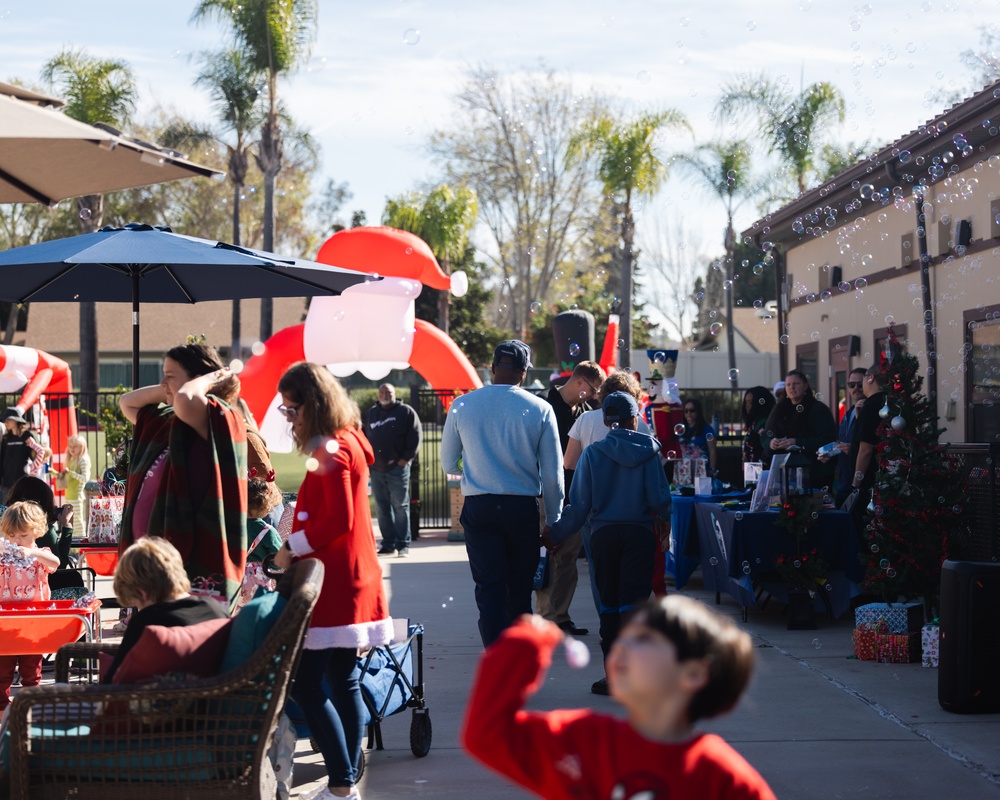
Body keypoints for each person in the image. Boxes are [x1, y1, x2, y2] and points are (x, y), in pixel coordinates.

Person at [461, 596, 776, 800]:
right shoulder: (579, 741)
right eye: (624, 637)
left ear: (693, 673)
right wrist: (523, 644)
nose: (622, 647)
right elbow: (486, 735)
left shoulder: (719, 778)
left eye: (644, 639)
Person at [273, 361, 393, 800]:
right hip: (351, 573)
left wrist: (291, 548)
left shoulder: (333, 448)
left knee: (308, 683)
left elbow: (337, 518)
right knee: (342, 680)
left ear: (313, 404)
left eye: (292, 410)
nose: (289, 419)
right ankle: (347, 779)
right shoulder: (348, 440)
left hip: (335, 579)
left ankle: (343, 784)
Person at [545, 391, 672, 696]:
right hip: (639, 536)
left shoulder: (592, 454)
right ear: (634, 419)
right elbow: (660, 500)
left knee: (610, 606)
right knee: (634, 606)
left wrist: (555, 534)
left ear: (605, 420)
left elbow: (579, 507)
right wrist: (663, 521)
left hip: (603, 537)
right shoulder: (650, 452)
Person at [440, 339, 564, 648]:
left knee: (489, 589)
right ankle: (517, 661)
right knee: (519, 591)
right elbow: (553, 474)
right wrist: (555, 521)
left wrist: (474, 463)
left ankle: (496, 661)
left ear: (493, 368)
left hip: (480, 506)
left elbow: (448, 463)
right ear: (524, 373)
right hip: (521, 508)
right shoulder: (540, 408)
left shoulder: (464, 404)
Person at [118, 343, 248, 607]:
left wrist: (210, 380)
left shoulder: (214, 414)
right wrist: (169, 387)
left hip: (194, 563)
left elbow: (187, 400)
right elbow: (127, 402)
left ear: (198, 379)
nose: (163, 381)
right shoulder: (168, 420)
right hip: (153, 568)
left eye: (170, 374)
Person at [564, 371, 659, 608]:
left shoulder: (585, 421)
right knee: (634, 578)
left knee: (600, 570)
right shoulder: (643, 429)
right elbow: (656, 485)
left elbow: (569, 464)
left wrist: (556, 532)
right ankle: (631, 627)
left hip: (595, 512)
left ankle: (608, 620)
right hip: (637, 517)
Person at [536, 360, 607, 637]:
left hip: (576, 497)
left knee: (568, 560)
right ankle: (545, 619)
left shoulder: (586, 412)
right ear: (579, 382)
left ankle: (561, 616)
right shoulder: (545, 405)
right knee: (548, 556)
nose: (593, 396)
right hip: (547, 494)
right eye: (591, 390)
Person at [104, 536, 229, 683]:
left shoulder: (147, 621)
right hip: (211, 702)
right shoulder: (217, 610)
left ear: (143, 592)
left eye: (136, 602)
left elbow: (112, 683)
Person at [0, 501, 60, 710]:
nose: (17, 541)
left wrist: (32, 553)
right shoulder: (3, 554)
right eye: (12, 536)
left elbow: (55, 563)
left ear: (36, 532)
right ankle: (1, 708)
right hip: (5, 621)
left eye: (23, 536)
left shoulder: (39, 555)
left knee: (31, 668)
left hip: (34, 620)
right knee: (2, 668)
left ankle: (30, 707)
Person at [362, 383, 422, 557]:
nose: (384, 394)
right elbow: (363, 437)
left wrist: (405, 460)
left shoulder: (405, 412)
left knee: (400, 506)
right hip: (376, 469)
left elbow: (415, 436)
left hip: (398, 468)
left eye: (388, 392)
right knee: (382, 508)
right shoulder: (372, 413)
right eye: (381, 392)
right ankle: (388, 544)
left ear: (394, 393)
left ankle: (403, 545)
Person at [760, 370, 838, 490]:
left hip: (814, 473)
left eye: (796, 383)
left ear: (805, 385)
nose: (792, 388)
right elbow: (766, 436)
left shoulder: (818, 409)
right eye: (788, 385)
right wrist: (771, 443)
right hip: (784, 473)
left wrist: (797, 442)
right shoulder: (779, 409)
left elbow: (827, 439)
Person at [846, 366, 888, 522]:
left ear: (870, 378)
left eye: (863, 379)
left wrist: (855, 485)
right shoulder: (888, 402)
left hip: (869, 484)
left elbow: (866, 449)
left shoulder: (870, 406)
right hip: (886, 479)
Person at [5, 475, 74, 570]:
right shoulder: (42, 530)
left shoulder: (6, 524)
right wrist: (67, 527)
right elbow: (60, 565)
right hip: (45, 582)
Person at [821, 367, 867, 505]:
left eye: (860, 384)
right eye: (851, 385)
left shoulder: (872, 411)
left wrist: (852, 448)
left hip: (860, 484)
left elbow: (874, 446)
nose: (856, 388)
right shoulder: (848, 413)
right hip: (844, 482)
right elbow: (843, 444)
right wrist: (829, 454)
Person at [0, 409, 45, 502]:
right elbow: (2, 458)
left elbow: (35, 456)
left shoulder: (27, 435)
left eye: (8, 419)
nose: (6, 422)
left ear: (16, 420)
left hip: (22, 482)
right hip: (7, 483)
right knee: (7, 511)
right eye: (5, 420)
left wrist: (33, 444)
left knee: (22, 510)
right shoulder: (6, 438)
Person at [51, 434, 91, 529]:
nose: (72, 449)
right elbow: (66, 477)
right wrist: (54, 473)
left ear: (82, 447)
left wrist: (71, 473)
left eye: (75, 446)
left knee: (77, 521)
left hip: (76, 496)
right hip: (69, 495)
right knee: (71, 520)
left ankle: (80, 540)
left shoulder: (82, 460)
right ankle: (73, 540)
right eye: (70, 446)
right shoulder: (72, 460)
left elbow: (85, 478)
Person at [679, 397, 718, 473]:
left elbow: (712, 451)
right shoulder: (681, 430)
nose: (689, 413)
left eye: (692, 410)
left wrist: (712, 471)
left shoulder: (707, 429)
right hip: (684, 472)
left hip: (702, 471)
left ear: (698, 411)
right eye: (686, 411)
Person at [741, 386, 776, 466]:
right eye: (746, 402)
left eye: (751, 402)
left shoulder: (762, 422)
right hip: (752, 471)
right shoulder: (753, 423)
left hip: (759, 471)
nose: (748, 406)